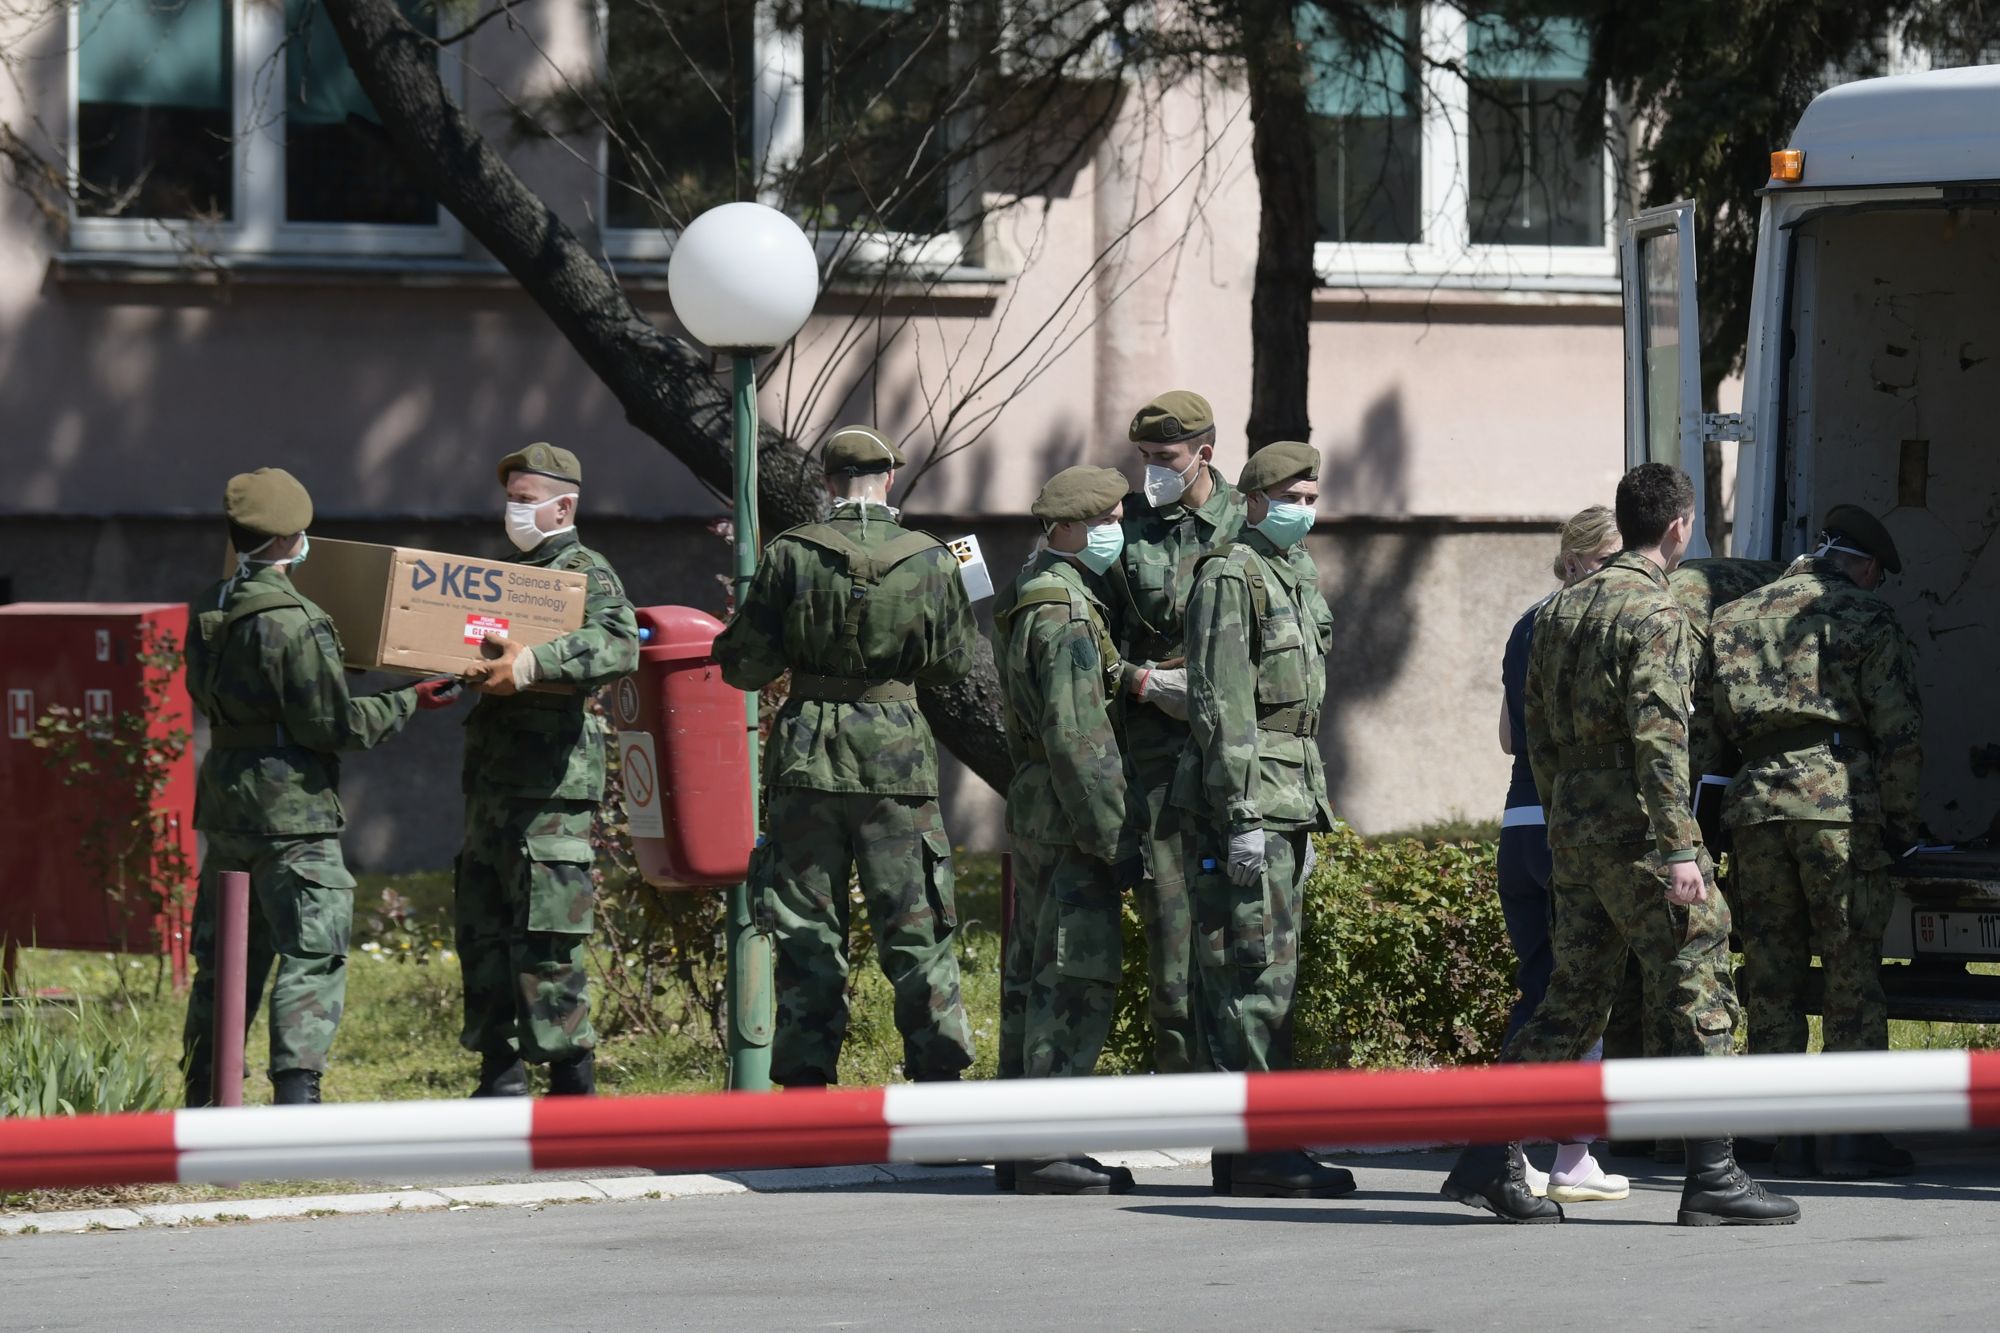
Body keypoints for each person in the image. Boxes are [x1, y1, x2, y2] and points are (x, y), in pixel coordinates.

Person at [1441, 462, 1799, 1227]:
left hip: (1573, 838)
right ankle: (1715, 1174)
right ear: (1680, 527)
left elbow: (1533, 732)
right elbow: (1661, 741)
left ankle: (1487, 1155)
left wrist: (1573, 820)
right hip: (1641, 835)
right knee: (1703, 986)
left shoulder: (1559, 612)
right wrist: (1678, 847)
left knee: (1569, 1001)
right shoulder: (1658, 614)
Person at [712, 425, 978, 1090]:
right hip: (897, 759)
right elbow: (949, 665)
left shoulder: (790, 554)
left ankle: (806, 1091)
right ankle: (939, 1081)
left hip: (808, 754)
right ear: (887, 478)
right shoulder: (932, 559)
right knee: (916, 920)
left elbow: (745, 666)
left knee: (806, 927)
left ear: (828, 483)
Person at [182, 468, 455, 1106]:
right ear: (293, 538)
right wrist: (410, 701)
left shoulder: (209, 606)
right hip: (293, 815)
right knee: (311, 952)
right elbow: (333, 725)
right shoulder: (297, 620)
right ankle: (296, 1099)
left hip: (226, 805)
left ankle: (203, 1094)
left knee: (224, 961)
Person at [1711, 504, 1923, 1180]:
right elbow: (1897, 732)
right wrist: (1903, 828)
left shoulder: (1736, 615)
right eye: (1875, 575)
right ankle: (1849, 1134)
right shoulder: (1863, 614)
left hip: (1754, 809)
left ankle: (1774, 1132)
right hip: (1837, 807)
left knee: (1770, 975)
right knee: (1850, 971)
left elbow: (1712, 728)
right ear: (1861, 566)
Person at [1173, 440, 1353, 1200]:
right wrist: (1243, 813)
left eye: (1311, 496)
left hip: (1288, 798)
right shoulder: (1229, 574)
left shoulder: (1294, 574)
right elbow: (1223, 703)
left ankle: (1269, 1141)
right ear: (1251, 500)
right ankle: (1254, 1150)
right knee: (1249, 976)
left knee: (1273, 972)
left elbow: (1301, 713)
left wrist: (1302, 817)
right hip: (1247, 799)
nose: (1303, 509)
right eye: (1290, 495)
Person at [455, 443, 640, 1098]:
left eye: (527, 499)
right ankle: (499, 1077)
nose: (515, 509)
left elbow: (619, 643)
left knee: (548, 936)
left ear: (564, 505)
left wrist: (532, 665)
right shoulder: (507, 572)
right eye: (511, 497)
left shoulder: (587, 573)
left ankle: (570, 1087)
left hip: (552, 791)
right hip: (493, 788)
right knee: (482, 928)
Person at [991, 465, 1147, 1195]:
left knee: (1029, 970)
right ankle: (1048, 1144)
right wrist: (1116, 840)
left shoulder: (1036, 592)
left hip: (1036, 812)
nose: (1120, 527)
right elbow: (1080, 740)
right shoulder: (1067, 616)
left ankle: (1020, 1143)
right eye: (1112, 516)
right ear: (1077, 526)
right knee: (1071, 973)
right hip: (1070, 819)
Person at [1105, 390, 1248, 1075]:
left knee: (1237, 927)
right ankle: (1179, 1081)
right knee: (1169, 927)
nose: (1151, 471)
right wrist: (1140, 681)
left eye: (1165, 458)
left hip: (1231, 756)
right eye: (1144, 458)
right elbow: (1084, 632)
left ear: (1204, 454)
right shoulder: (1125, 525)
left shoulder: (1249, 524)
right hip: (1155, 757)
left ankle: (1238, 1083)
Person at [1495, 505, 1629, 1204]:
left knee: (1547, 987)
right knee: (1579, 994)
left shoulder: (1527, 623)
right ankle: (1555, 1154)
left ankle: (1524, 1151)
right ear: (1578, 562)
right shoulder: (1597, 622)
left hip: (1519, 826)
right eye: (1610, 560)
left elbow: (1509, 737)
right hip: (1569, 826)